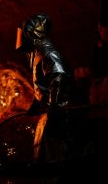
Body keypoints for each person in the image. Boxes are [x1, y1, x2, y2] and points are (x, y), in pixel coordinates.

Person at [15, 13, 74, 166]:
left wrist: (54, 106)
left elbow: (58, 77)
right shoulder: (37, 53)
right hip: (48, 113)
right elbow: (42, 84)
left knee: (53, 159)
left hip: (57, 115)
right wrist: (37, 103)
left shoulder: (48, 53)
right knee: (41, 156)